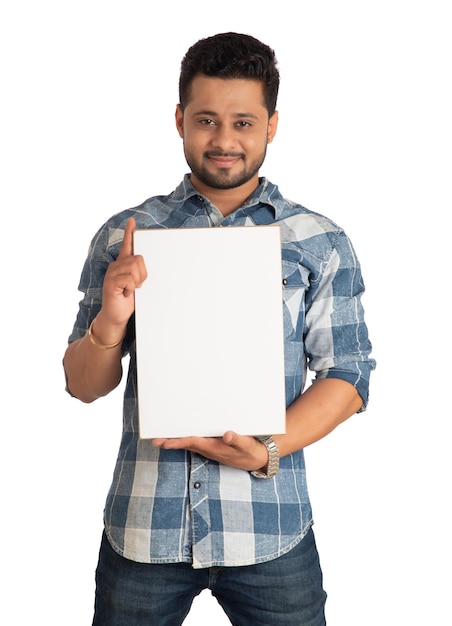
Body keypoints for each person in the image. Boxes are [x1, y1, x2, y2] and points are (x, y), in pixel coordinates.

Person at [64, 32, 376, 626]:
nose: (225, 141)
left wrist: (267, 448)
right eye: (206, 120)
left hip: (270, 528)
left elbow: (349, 376)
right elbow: (83, 385)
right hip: (144, 530)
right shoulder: (125, 234)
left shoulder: (318, 240)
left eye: (243, 122)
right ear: (180, 120)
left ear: (272, 125)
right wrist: (111, 316)